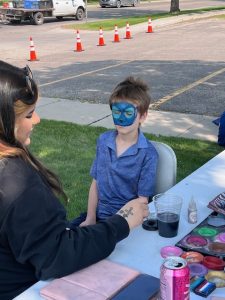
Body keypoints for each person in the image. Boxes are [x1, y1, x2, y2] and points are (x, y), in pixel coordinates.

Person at [0, 61, 149, 300]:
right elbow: (56, 256)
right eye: (29, 114)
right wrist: (122, 222)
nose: (37, 119)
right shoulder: (16, 183)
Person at [77, 77, 158, 227]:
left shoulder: (148, 154)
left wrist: (115, 228)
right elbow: (96, 183)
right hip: (98, 217)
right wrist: (90, 218)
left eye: (127, 113)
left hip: (126, 222)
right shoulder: (103, 141)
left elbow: (142, 202)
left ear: (143, 116)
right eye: (116, 112)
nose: (120, 119)